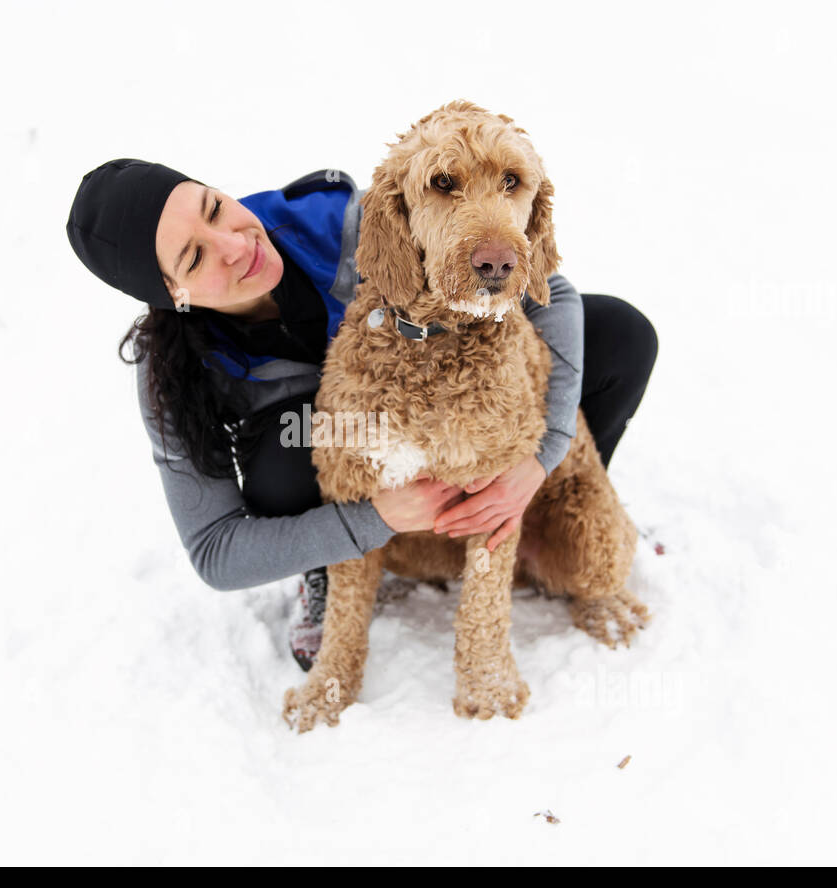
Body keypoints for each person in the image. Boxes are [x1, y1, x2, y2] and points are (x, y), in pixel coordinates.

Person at [66, 159, 658, 671]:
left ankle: (548, 500)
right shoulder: (173, 373)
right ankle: (327, 564)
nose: (235, 244)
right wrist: (374, 519)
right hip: (344, 454)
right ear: (172, 297)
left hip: (454, 400)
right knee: (288, 449)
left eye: (215, 207)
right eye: (195, 257)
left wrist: (541, 454)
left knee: (618, 337)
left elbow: (547, 287)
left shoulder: (343, 224)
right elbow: (217, 552)